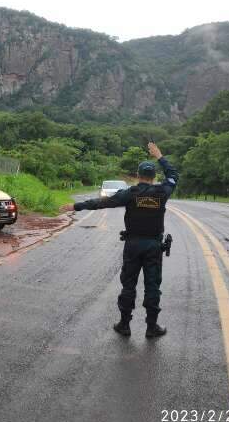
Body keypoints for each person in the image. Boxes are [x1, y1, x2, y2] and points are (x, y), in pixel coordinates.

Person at [63, 143, 179, 338]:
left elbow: (101, 203)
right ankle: (152, 327)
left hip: (133, 246)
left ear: (137, 175)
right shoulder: (162, 192)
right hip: (153, 246)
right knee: (153, 286)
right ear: (154, 177)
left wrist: (76, 206)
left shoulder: (130, 194)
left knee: (128, 285)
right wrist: (160, 156)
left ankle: (124, 325)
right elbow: (174, 175)